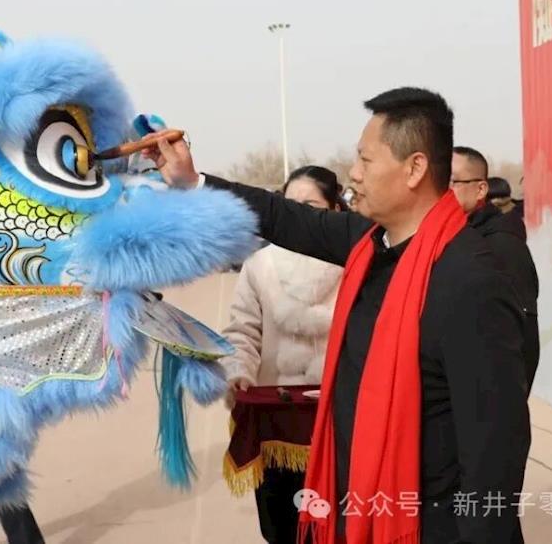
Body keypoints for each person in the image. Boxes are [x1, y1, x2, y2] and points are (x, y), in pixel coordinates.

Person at [145, 87, 530, 543]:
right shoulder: (368, 242)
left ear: (415, 168)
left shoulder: (470, 280)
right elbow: (282, 216)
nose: (354, 173)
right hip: (358, 507)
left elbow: (495, 450)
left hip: (424, 526)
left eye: (365, 160)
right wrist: (192, 182)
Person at [222, 165, 346, 544]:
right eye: (290, 205)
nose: (299, 215)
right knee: (282, 524)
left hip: (342, 417)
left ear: (335, 209)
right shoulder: (260, 265)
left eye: (311, 206)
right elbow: (242, 331)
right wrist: (238, 372)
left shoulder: (356, 262)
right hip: (276, 421)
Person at [452, 147, 540, 389]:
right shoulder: (450, 238)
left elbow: (524, 336)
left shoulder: (502, 245)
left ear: (481, 189)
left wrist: (509, 402)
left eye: (453, 182)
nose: (442, 191)